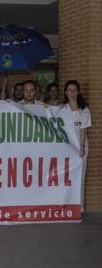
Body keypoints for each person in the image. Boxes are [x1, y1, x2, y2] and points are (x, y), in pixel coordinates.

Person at [61, 80, 91, 211]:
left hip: (80, 148)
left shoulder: (84, 110)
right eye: (69, 90)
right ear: (65, 93)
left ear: (78, 92)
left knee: (79, 177)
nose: (72, 92)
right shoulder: (62, 109)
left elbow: (83, 130)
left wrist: (82, 147)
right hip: (66, 148)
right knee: (66, 177)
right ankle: (65, 206)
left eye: (74, 90)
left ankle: (79, 208)